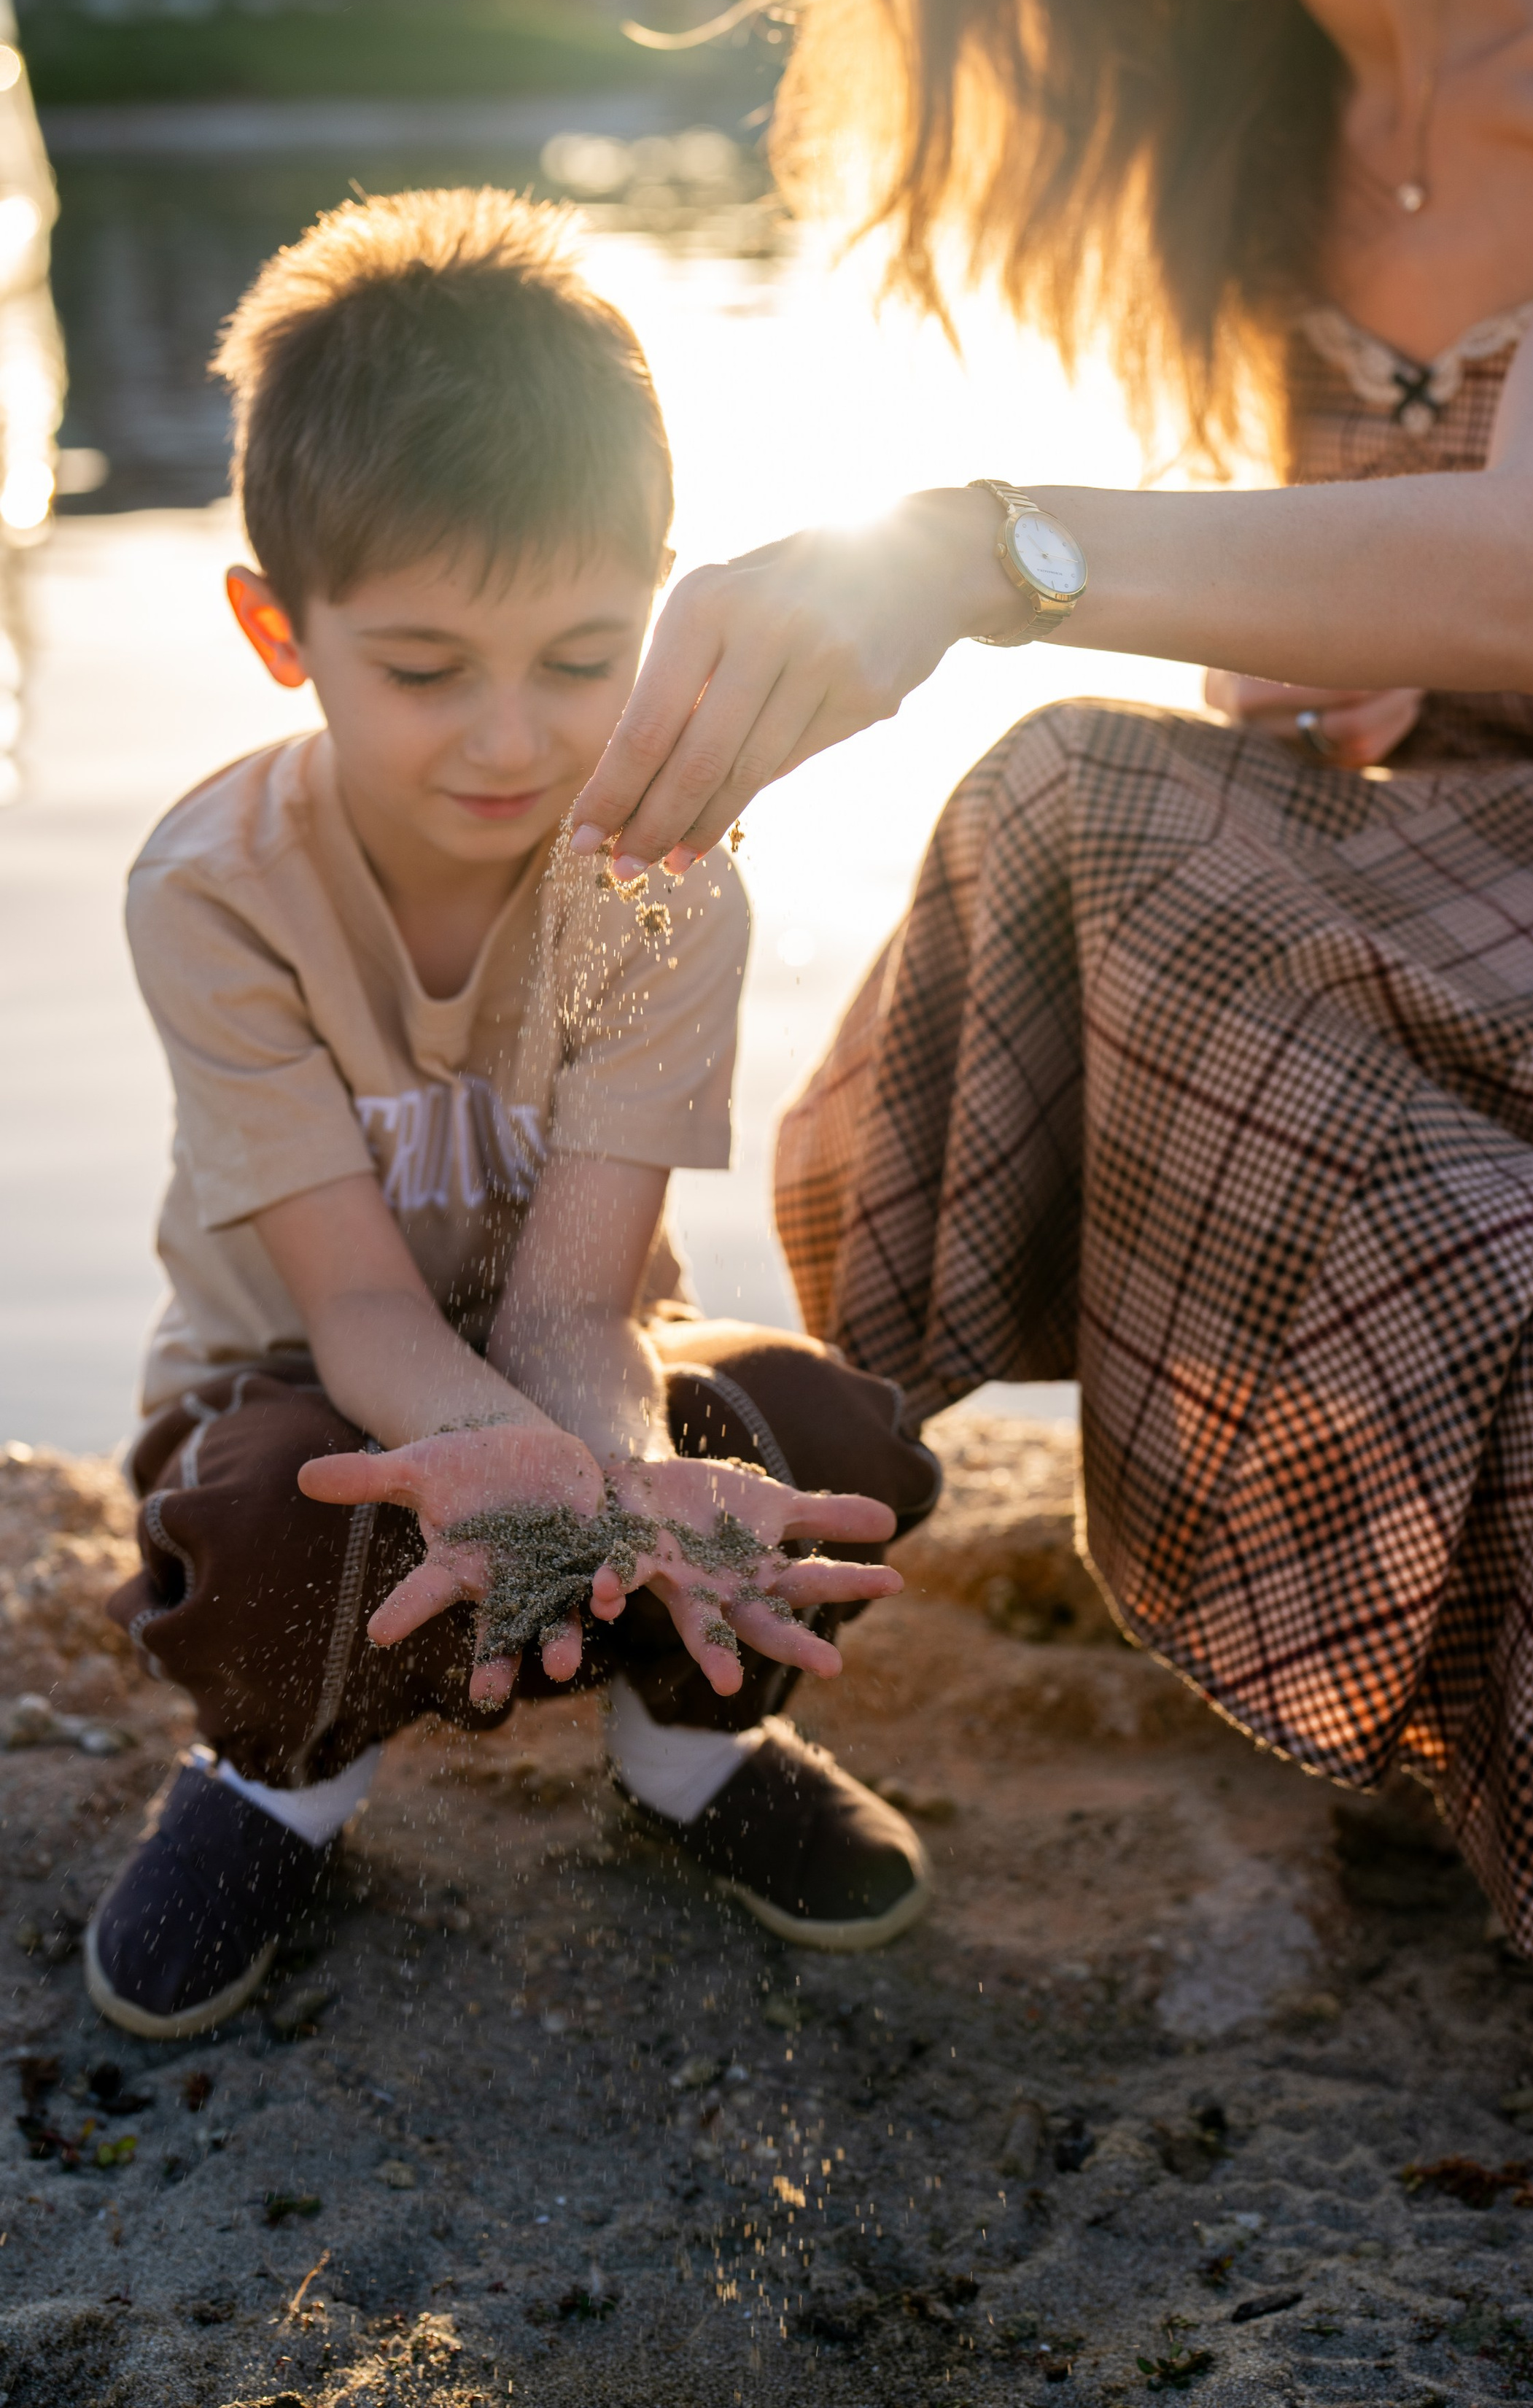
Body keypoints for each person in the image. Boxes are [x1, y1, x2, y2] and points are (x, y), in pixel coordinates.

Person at [561, 0, 1533, 2393]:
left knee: (1070, 765)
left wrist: (964, 545)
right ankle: (733, 1498)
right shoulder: (1272, 160)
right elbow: (1440, 652)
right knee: (1097, 815)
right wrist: (1316, 694)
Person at [86, 187, 940, 2046]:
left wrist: (610, 1478)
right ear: (275, 628)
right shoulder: (213, 892)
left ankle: (685, 1766)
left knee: (829, 1442)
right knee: (269, 1515)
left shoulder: (662, 881)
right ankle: (279, 1792)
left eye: (578, 658)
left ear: (657, 592)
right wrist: (504, 1463)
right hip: (302, 1383)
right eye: (423, 673)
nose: (509, 743)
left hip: (559, 1369)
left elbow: (573, 1307)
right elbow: (364, 1314)